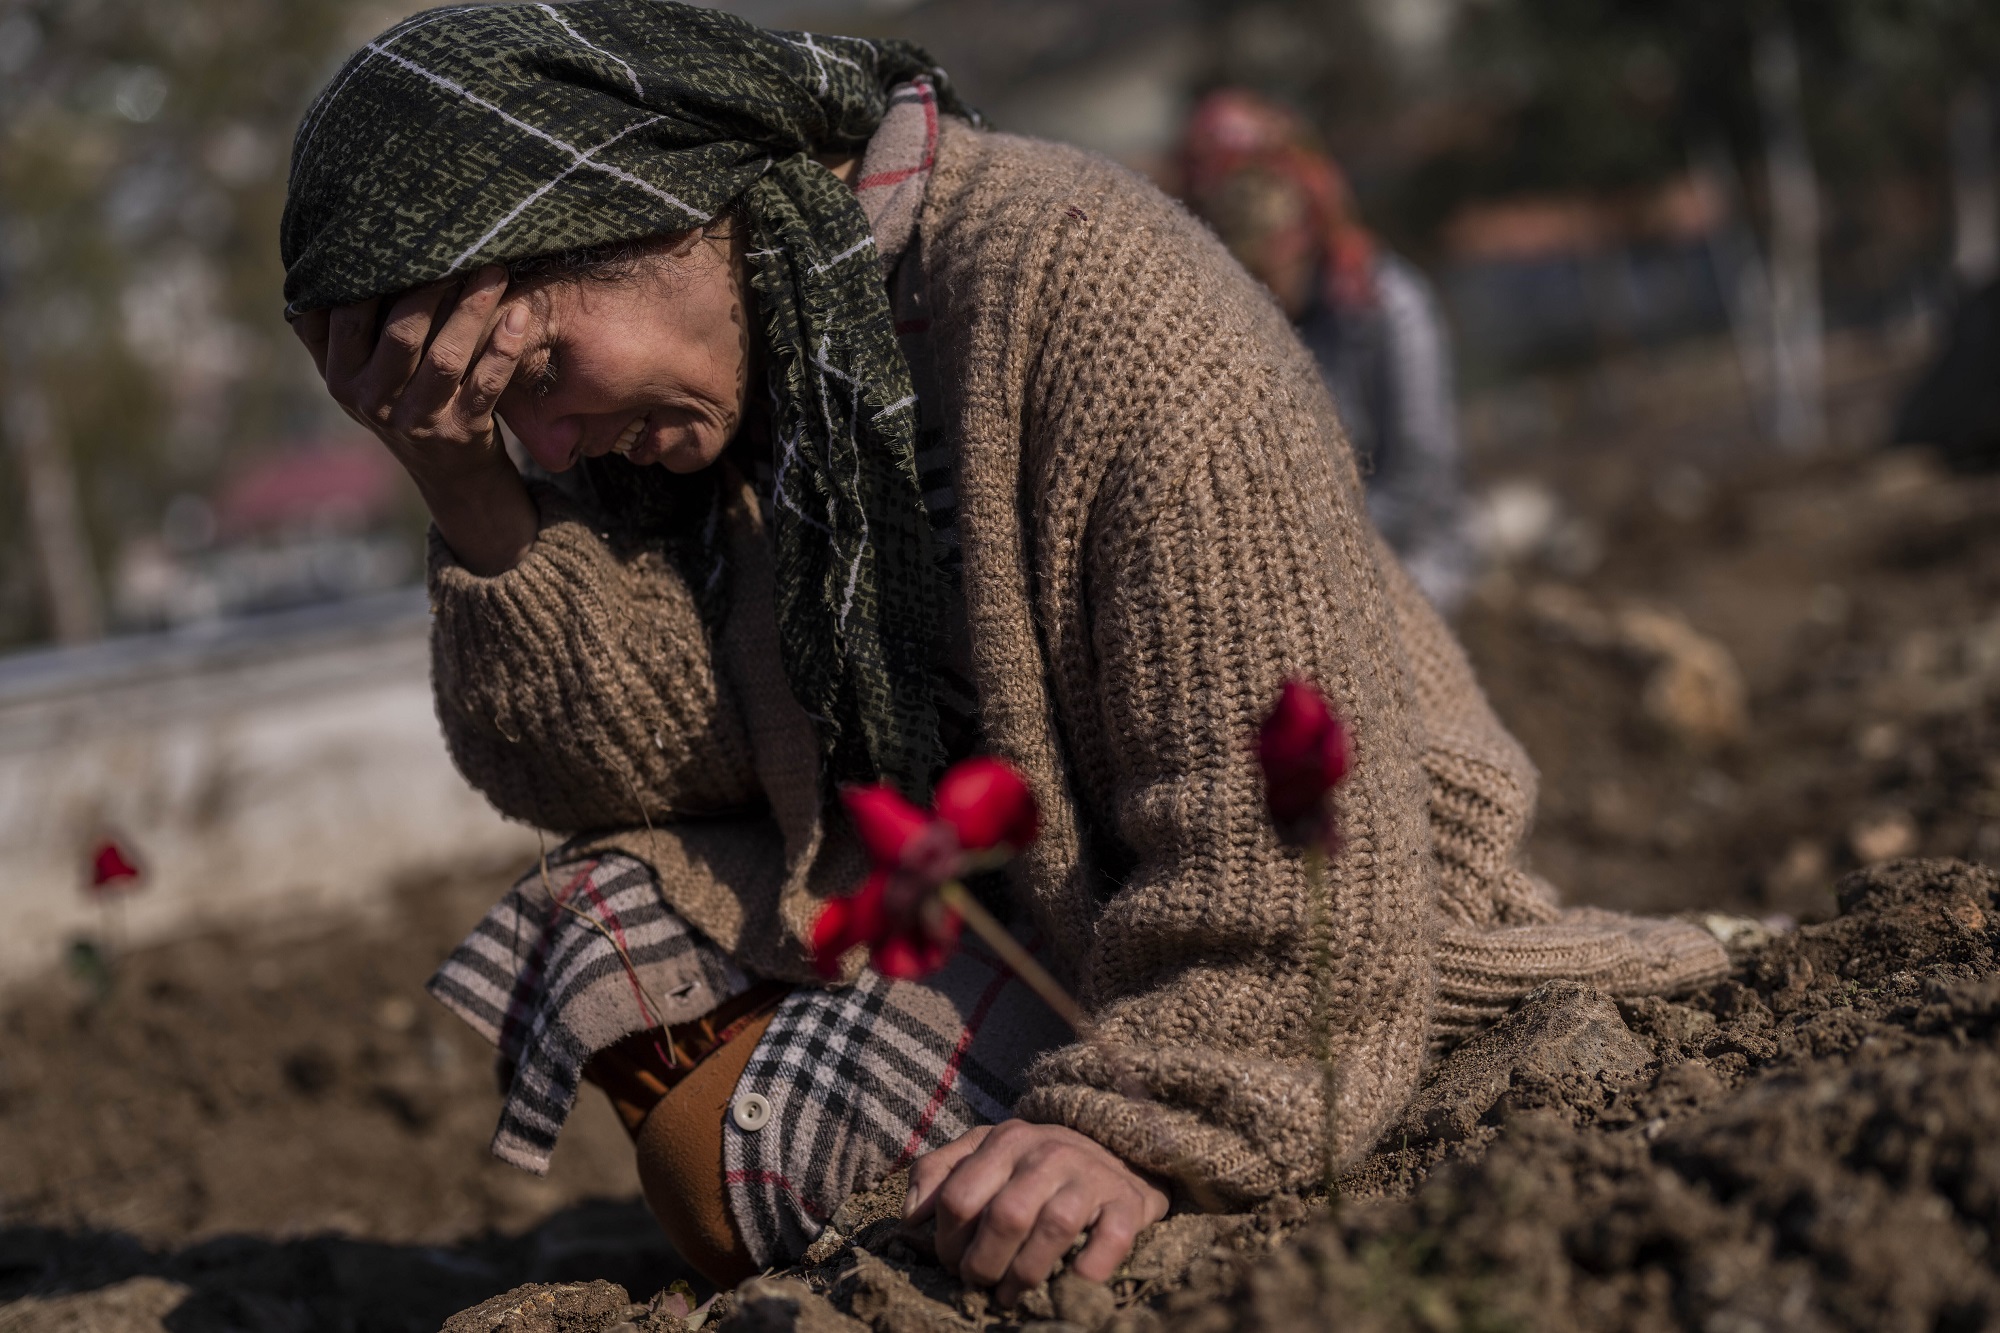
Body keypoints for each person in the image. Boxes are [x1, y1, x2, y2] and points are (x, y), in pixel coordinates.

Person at [282, 1, 1727, 1301]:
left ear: (651, 205)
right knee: (606, 916)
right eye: (498, 415)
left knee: (741, 1177)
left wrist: (1154, 1128)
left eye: (538, 377)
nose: (544, 440)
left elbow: (1302, 813)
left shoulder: (1087, 294)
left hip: (1321, 957)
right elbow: (631, 762)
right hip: (1034, 916)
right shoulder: (734, 389)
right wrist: (465, 486)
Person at [1178, 90, 1476, 612]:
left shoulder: (1386, 306)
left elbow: (1419, 473)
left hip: (1412, 574)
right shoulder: (1231, 333)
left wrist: (1311, 558)